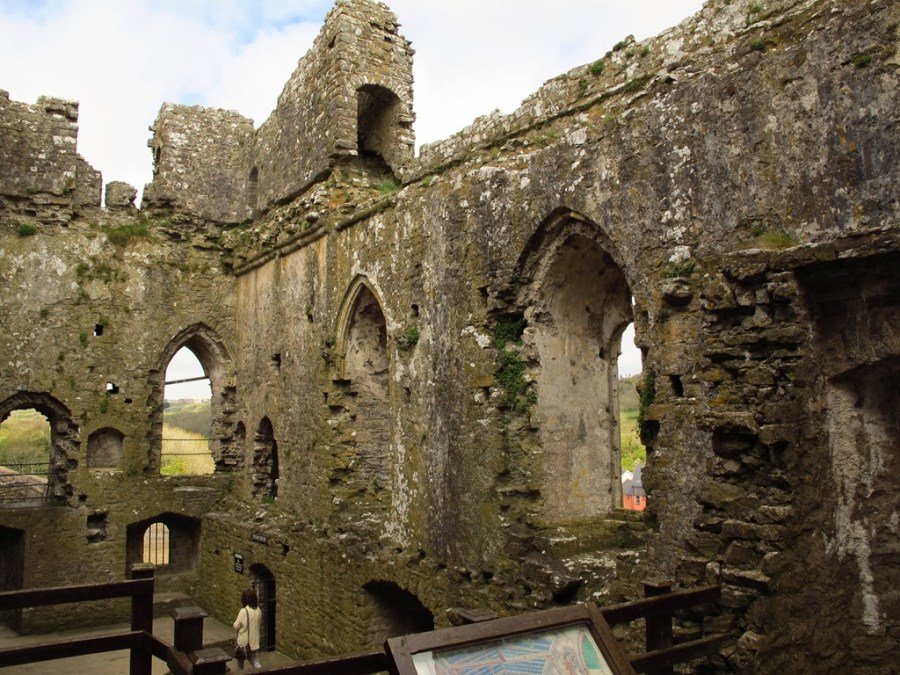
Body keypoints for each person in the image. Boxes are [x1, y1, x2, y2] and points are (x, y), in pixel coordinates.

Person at [233, 587, 263, 670]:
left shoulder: (244, 611)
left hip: (243, 643)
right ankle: (262, 671)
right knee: (253, 659)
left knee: (240, 663)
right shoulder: (258, 610)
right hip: (254, 642)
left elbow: (236, 626)